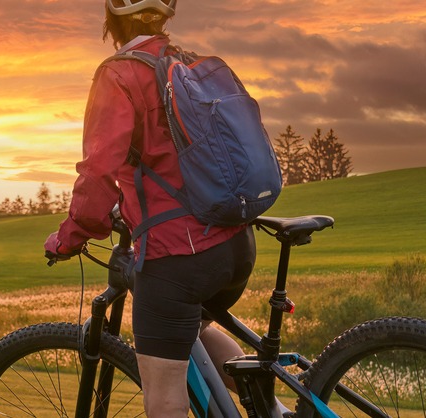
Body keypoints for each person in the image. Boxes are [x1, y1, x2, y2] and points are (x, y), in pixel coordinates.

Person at [43, 0, 287, 416]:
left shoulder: (118, 74)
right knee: (192, 331)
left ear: (111, 19)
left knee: (162, 393)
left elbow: (99, 170)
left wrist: (70, 236)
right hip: (235, 247)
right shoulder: (190, 65)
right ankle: (277, 410)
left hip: (178, 259)